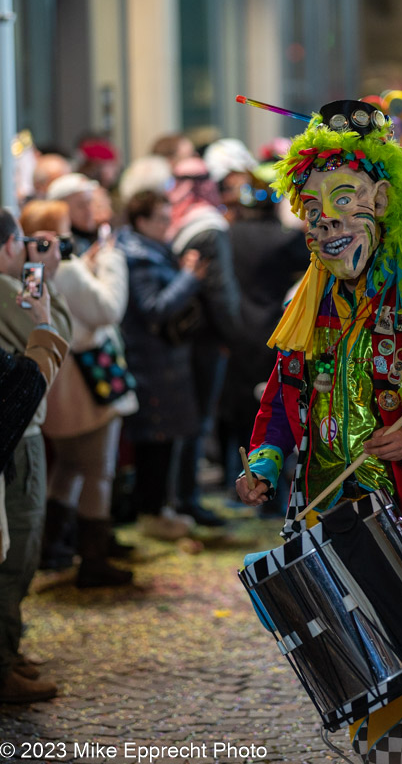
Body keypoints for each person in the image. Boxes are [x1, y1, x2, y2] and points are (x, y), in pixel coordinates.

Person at [235, 100, 402, 764]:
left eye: (345, 200)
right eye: (313, 207)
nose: (328, 220)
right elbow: (282, 401)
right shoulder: (304, 306)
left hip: (399, 516)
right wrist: (262, 461)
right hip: (321, 511)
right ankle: (377, 751)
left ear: (381, 199)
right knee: (346, 655)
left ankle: (388, 753)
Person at [20, 201, 137, 587]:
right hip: (88, 387)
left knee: (68, 467)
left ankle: (51, 545)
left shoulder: (28, 273)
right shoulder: (66, 271)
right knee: (97, 472)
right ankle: (93, 558)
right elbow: (108, 308)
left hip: (55, 386)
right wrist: (110, 261)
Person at [0, 209, 72, 704]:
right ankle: (2, 664)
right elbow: (59, 334)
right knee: (17, 550)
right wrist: (49, 281)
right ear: (9, 245)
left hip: (20, 429)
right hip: (17, 434)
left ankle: (7, 651)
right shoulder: (6, 290)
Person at [216, 164, 309, 503]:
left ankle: (239, 481)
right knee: (275, 407)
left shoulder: (228, 234)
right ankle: (275, 492)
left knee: (244, 413)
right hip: (276, 330)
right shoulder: (286, 239)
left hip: (235, 332)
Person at [117, 190, 207, 540]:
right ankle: (153, 513)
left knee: (162, 440)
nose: (167, 224)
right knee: (155, 441)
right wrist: (189, 278)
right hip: (150, 362)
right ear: (141, 221)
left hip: (160, 360)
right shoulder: (139, 257)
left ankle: (158, 510)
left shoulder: (146, 250)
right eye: (160, 218)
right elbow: (154, 308)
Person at [166, 157, 240, 526]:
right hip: (207, 340)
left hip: (177, 338)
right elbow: (220, 292)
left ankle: (177, 496)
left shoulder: (177, 221)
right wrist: (233, 336)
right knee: (197, 419)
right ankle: (187, 498)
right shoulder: (210, 226)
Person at [46, 172, 100, 255]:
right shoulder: (57, 249)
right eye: (81, 205)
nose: (89, 211)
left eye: (90, 202)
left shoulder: (92, 237)